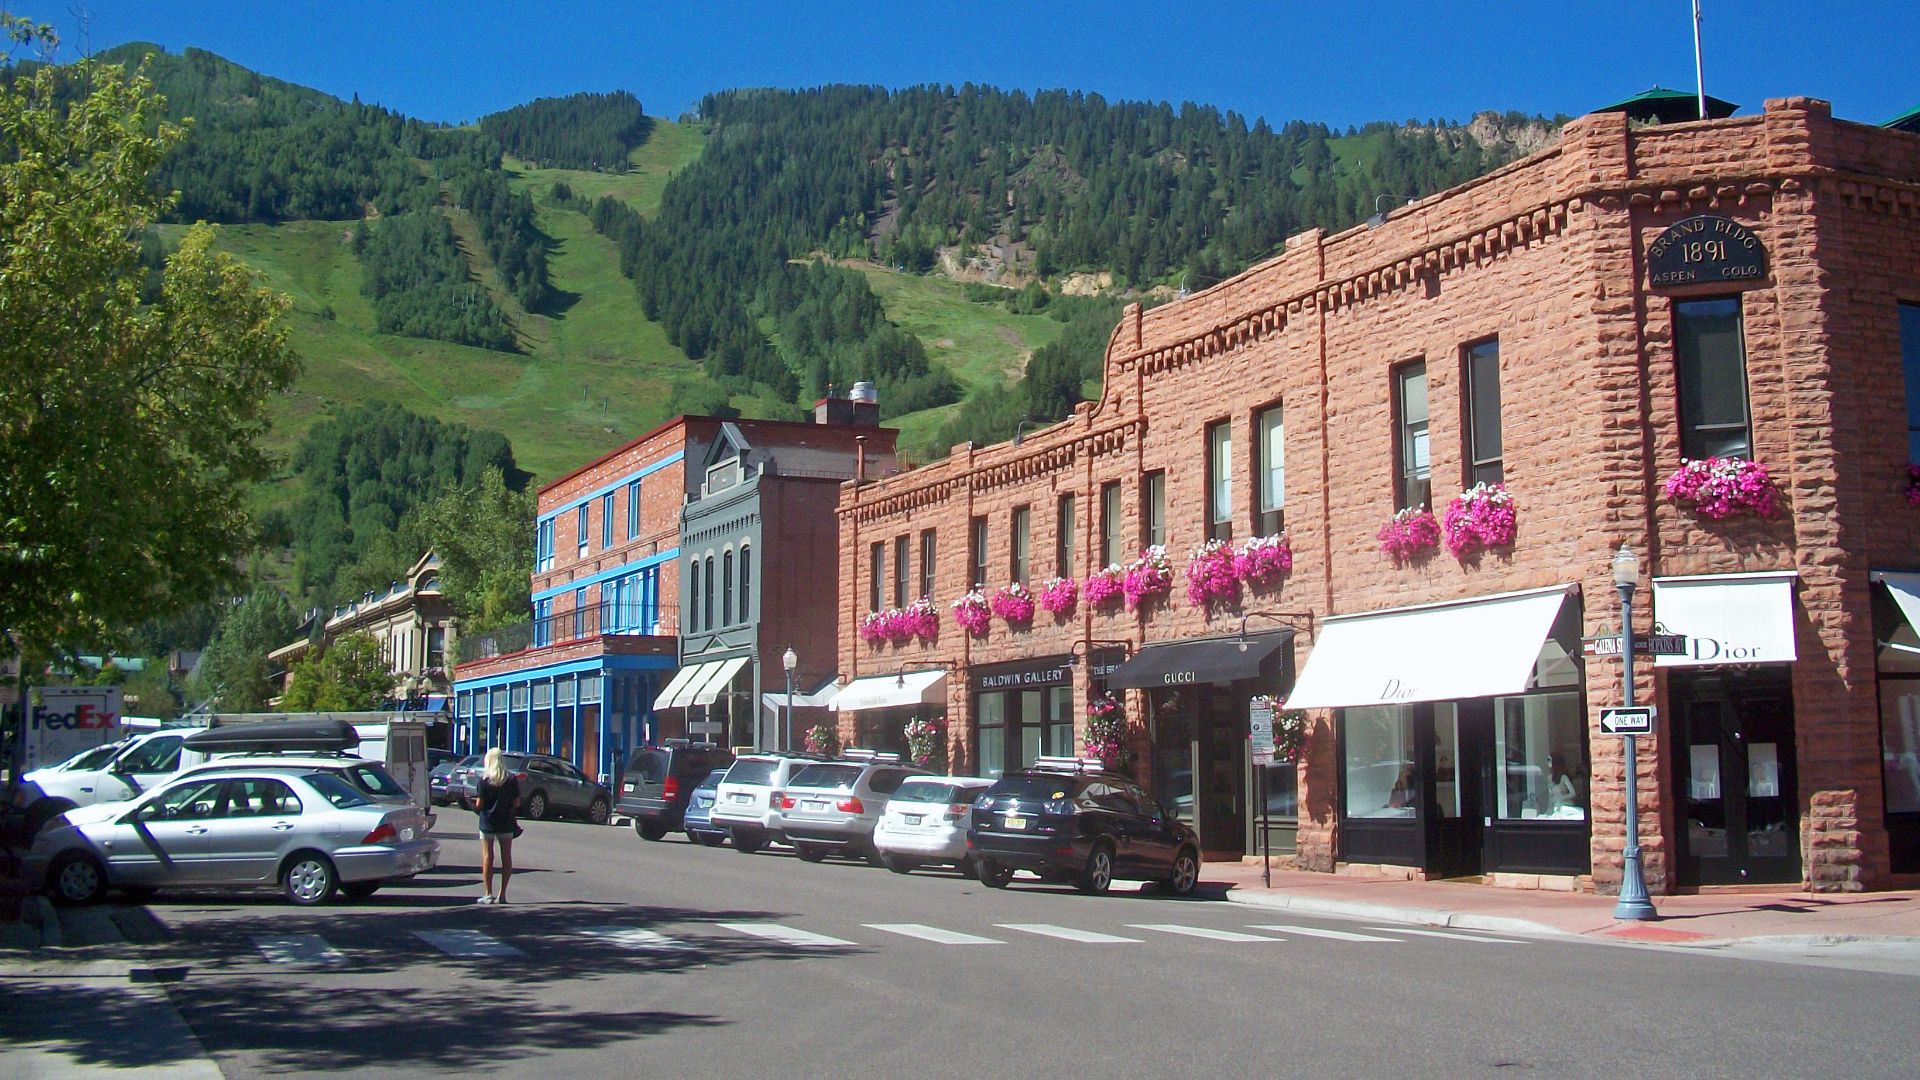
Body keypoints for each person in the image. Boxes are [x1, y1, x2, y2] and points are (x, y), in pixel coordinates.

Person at [474, 748, 521, 905]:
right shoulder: (511, 780)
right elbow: (517, 803)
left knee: (488, 856)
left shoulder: (484, 780)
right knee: (506, 856)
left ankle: (488, 893)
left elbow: (479, 804)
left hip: (487, 822)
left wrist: (475, 805)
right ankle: (503, 894)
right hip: (506, 821)